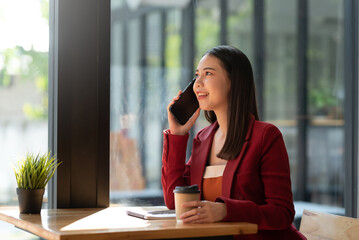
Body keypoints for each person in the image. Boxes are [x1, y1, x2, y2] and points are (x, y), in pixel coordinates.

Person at [161, 45, 306, 239]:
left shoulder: (265, 136)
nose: (197, 83)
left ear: (233, 81)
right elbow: (174, 201)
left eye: (208, 74)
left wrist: (225, 210)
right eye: (197, 75)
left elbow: (282, 213)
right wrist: (177, 136)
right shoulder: (202, 139)